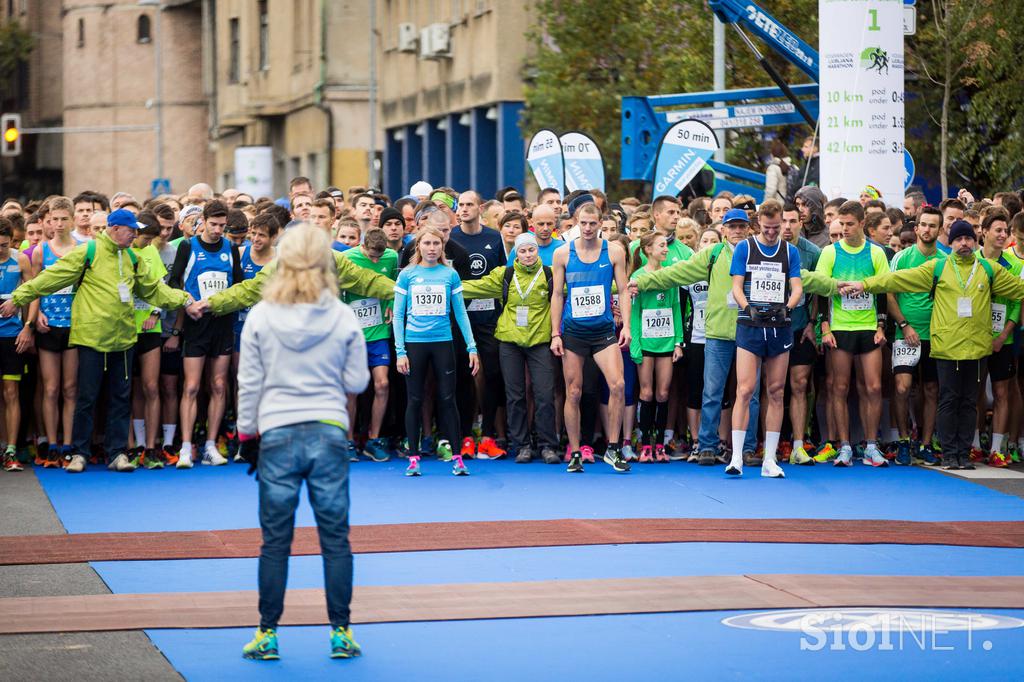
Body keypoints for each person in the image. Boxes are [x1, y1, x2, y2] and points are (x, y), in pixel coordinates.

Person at [236, 224, 368, 662]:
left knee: (275, 541)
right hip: (329, 429)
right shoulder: (342, 315)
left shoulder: (261, 315)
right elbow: (358, 380)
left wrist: (246, 434)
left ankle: (267, 633)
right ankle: (341, 632)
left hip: (276, 430)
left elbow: (248, 383)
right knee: (336, 538)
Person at [1, 209, 197, 473]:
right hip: (91, 338)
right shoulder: (88, 251)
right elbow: (50, 278)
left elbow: (153, 290)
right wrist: (20, 297)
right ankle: (79, 453)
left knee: (120, 398)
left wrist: (183, 299)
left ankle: (117, 453)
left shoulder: (132, 257)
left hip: (124, 339)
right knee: (86, 397)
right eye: (132, 231)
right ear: (115, 229)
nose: (135, 236)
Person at [841, 219, 1024, 469]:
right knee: (948, 400)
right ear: (950, 242)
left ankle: (963, 453)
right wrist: (865, 284)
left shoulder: (989, 269)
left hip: (977, 349)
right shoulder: (937, 268)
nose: (963, 243)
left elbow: (1019, 289)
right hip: (947, 348)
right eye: (958, 239)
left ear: (975, 240)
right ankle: (950, 454)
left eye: (968, 238)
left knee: (969, 403)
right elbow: (897, 279)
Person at [461, 232, 560, 464]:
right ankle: (522, 445)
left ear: (538, 251)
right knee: (514, 396)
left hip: (540, 341)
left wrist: (622, 287)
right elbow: (473, 287)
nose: (527, 254)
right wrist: (439, 284)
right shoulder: (504, 275)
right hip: (509, 341)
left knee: (544, 394)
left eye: (531, 250)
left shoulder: (550, 274)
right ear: (515, 253)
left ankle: (548, 446)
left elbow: (579, 285)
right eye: (522, 250)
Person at [551, 202, 632, 474]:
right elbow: (557, 295)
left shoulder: (615, 251)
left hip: (603, 331)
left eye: (592, 224)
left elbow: (623, 290)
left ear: (601, 224)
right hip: (573, 331)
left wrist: (628, 327)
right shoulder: (563, 254)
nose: (587, 228)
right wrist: (555, 334)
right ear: (576, 222)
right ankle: (574, 451)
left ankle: (612, 448)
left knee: (618, 385)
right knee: (573, 391)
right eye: (582, 223)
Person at [392, 226, 480, 476]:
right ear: (418, 246)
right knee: (415, 399)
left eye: (436, 244)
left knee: (447, 398)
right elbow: (398, 315)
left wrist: (471, 346)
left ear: (442, 247)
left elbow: (461, 313)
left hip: (443, 342)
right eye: (427, 243)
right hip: (415, 344)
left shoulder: (449, 274)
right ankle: (413, 457)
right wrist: (400, 351)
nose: (432, 248)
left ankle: (456, 457)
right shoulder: (407, 275)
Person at [727, 200, 802, 478]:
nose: (772, 233)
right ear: (759, 223)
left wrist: (788, 307)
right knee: (745, 390)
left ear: (782, 223)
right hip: (751, 324)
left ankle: (770, 459)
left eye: (776, 228)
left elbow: (797, 287)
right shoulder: (745, 248)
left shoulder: (790, 251)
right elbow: (736, 285)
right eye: (767, 228)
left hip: (778, 324)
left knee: (776, 391)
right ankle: (736, 457)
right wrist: (748, 307)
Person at [815, 201, 890, 467]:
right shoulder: (830, 252)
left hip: (869, 327)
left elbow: (883, 290)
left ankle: (871, 446)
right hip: (841, 327)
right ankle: (844, 446)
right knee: (840, 387)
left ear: (861, 224)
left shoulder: (876, 253)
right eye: (841, 224)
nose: (844, 229)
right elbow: (822, 290)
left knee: (874, 387)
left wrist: (882, 326)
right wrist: (824, 328)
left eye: (849, 224)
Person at [450, 191, 507, 460]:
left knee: (493, 373)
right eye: (460, 205)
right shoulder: (450, 238)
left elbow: (502, 277)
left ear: (480, 208)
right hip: (461, 319)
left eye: (469, 204)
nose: (464, 209)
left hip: (490, 319)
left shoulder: (494, 238)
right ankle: (464, 437)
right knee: (464, 376)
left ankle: (487, 436)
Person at [887, 206, 943, 465]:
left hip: (936, 336)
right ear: (917, 227)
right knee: (902, 388)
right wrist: (905, 324)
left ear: (939, 230)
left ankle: (925, 443)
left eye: (933, 225)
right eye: (924, 225)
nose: (928, 229)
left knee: (932, 389)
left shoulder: (946, 260)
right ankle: (903, 441)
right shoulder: (902, 258)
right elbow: (889, 293)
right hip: (905, 333)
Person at [341, 227, 398, 462]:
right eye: (371, 255)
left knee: (382, 384)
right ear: (362, 246)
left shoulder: (391, 257)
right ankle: (348, 441)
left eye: (379, 256)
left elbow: (395, 288)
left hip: (379, 332)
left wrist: (391, 304)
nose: (376, 259)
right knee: (352, 390)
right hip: (353, 335)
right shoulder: (347, 258)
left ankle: (374, 440)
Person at [29, 197, 78, 467]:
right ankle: (51, 443)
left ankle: (68, 444)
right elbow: (35, 288)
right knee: (50, 388)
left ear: (71, 220)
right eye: (54, 219)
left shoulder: (83, 249)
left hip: (74, 326)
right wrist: (37, 316)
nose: (58, 224)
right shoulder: (40, 251)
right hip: (48, 326)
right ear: (48, 220)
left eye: (63, 219)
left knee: (70, 388)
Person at [628, 232, 683, 462]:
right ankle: (645, 445)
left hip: (667, 342)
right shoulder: (637, 276)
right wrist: (636, 344)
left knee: (663, 393)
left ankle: (659, 444)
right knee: (647, 392)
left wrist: (679, 342)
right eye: (661, 246)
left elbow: (676, 309)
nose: (666, 249)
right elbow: (635, 314)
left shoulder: (669, 275)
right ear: (648, 249)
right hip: (646, 343)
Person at [971, 209, 1017, 467]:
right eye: (997, 230)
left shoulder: (1016, 265)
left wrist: (1003, 335)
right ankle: (975, 446)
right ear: (984, 232)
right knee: (975, 392)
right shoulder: (971, 260)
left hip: (1004, 341)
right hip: (974, 340)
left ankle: (997, 449)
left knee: (1002, 393)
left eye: (1006, 231)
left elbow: (1017, 304)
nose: (1002, 235)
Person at [781, 203, 820, 464]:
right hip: (771, 329)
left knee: (800, 385)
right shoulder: (763, 249)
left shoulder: (813, 252)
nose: (787, 227)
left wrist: (813, 322)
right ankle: (770, 443)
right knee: (771, 388)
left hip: (800, 327)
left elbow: (819, 290)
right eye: (782, 221)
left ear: (801, 223)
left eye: (792, 221)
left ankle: (797, 444)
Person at [0, 218, 34, 471]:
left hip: (12, 336)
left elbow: (34, 293)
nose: (0, 250)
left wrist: (28, 326)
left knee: (11, 393)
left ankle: (11, 450)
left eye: (3, 245)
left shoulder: (20, 259)